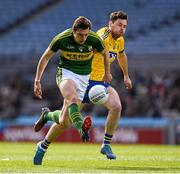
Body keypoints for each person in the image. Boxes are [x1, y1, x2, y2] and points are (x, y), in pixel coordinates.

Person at [34, 11, 132, 164]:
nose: (122, 29)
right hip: (83, 80)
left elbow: (121, 55)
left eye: (125, 26)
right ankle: (43, 144)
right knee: (64, 122)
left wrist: (125, 75)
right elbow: (96, 48)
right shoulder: (101, 36)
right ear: (110, 24)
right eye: (119, 25)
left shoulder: (119, 40)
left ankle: (106, 144)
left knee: (116, 106)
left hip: (99, 83)